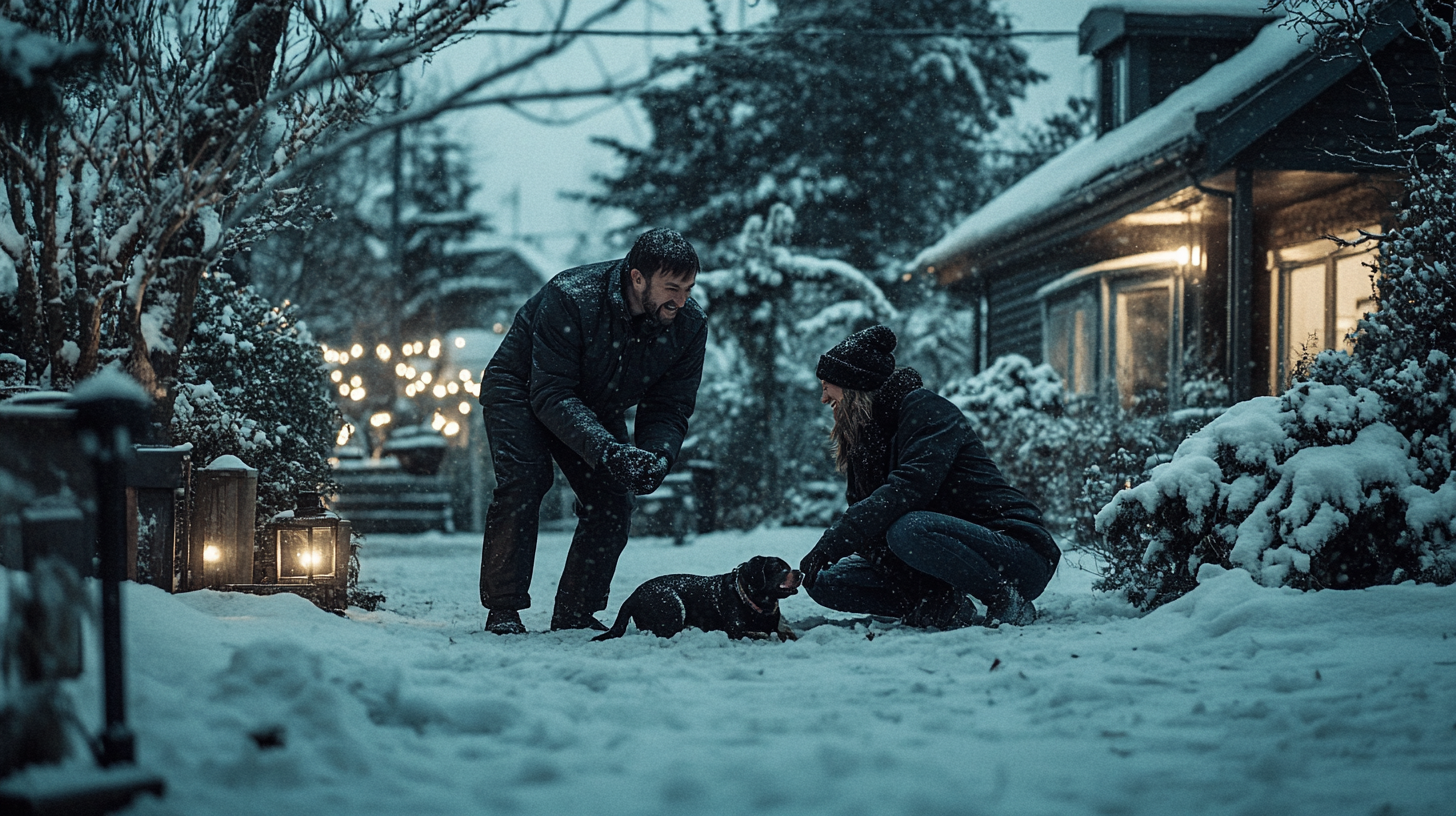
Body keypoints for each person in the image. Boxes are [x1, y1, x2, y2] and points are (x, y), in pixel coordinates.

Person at [477, 228, 707, 635]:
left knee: (613, 499)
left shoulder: (687, 326)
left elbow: (669, 407)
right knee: (526, 481)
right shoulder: (571, 296)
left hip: (595, 402)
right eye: (672, 288)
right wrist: (607, 449)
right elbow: (550, 393)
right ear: (637, 278)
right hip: (521, 388)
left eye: (688, 288)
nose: (681, 300)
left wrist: (657, 456)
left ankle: (575, 612)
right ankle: (503, 609)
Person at [798, 325, 1060, 628]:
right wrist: (839, 549)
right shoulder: (866, 439)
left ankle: (1007, 601)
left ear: (854, 385)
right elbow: (869, 520)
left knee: (908, 529)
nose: (823, 398)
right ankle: (941, 604)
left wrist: (835, 540)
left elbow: (909, 488)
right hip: (942, 560)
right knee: (825, 580)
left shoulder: (927, 410)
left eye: (827, 385)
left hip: (1014, 555)